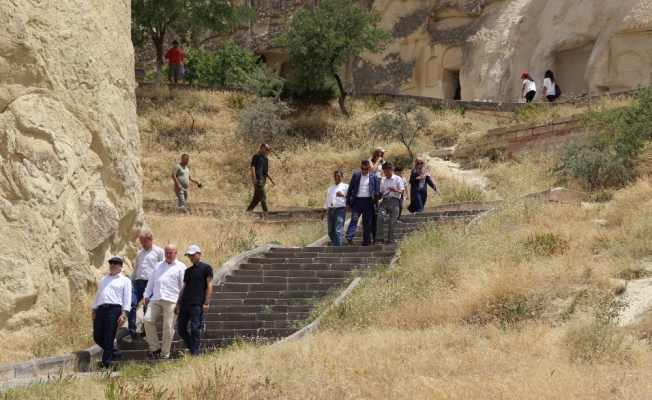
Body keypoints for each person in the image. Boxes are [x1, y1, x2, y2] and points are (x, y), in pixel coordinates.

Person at [143, 244, 186, 360]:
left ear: (176, 253)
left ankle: (165, 354)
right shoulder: (158, 266)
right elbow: (151, 282)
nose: (168, 255)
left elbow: (183, 286)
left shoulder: (181, 267)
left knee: (168, 325)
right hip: (156, 298)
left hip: (172, 300)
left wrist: (180, 303)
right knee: (147, 320)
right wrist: (146, 295)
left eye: (171, 253)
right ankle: (155, 349)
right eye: (166, 253)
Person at [91, 257, 132, 369]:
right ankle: (116, 352)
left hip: (114, 309)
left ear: (121, 266)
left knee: (109, 337)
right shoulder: (104, 279)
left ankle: (106, 363)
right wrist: (94, 309)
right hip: (101, 309)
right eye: (111, 263)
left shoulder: (125, 280)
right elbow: (99, 295)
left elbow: (127, 298)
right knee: (97, 336)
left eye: (116, 263)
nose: (113, 265)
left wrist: (124, 314)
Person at [174, 245, 213, 356]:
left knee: (195, 328)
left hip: (197, 303)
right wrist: (178, 303)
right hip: (185, 303)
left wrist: (206, 302)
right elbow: (184, 287)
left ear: (199, 254)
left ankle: (194, 353)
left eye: (193, 255)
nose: (191, 257)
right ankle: (194, 349)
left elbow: (210, 285)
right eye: (189, 256)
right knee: (181, 329)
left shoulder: (206, 268)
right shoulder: (188, 271)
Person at [127, 231, 165, 341]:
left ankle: (146, 332)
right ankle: (132, 331)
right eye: (141, 242)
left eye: (145, 241)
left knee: (146, 307)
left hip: (150, 283)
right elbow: (136, 269)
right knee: (131, 304)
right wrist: (129, 282)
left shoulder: (159, 252)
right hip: (138, 283)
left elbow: (162, 268)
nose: (143, 244)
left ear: (151, 239)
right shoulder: (140, 253)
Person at [345, 160, 380, 246]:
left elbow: (376, 192)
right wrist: (348, 203)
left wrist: (376, 204)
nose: (364, 171)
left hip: (368, 202)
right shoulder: (356, 175)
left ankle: (366, 242)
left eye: (366, 169)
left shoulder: (374, 177)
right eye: (362, 169)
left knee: (367, 223)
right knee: (354, 219)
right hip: (357, 201)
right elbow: (350, 189)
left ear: (369, 168)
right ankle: (349, 237)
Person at [376, 162, 405, 245]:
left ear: (391, 170)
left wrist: (395, 191)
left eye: (387, 171)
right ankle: (380, 239)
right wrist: (378, 197)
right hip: (385, 201)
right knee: (380, 217)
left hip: (395, 201)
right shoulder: (383, 180)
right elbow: (381, 192)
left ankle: (390, 240)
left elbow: (402, 192)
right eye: (384, 172)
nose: (386, 173)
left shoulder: (398, 179)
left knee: (392, 222)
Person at [320, 170, 349, 246]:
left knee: (338, 231)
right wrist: (323, 212)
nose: (337, 177)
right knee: (330, 232)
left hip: (340, 210)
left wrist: (343, 195)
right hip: (330, 211)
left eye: (338, 176)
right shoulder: (330, 189)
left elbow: (351, 198)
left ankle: (337, 249)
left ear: (342, 177)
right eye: (335, 176)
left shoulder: (346, 187)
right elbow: (327, 201)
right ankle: (338, 244)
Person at [246, 143, 276, 212]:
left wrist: (271, 179)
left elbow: (266, 171)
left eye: (268, 150)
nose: (267, 151)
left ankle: (248, 212)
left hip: (263, 179)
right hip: (258, 178)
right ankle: (266, 214)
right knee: (263, 196)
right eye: (267, 149)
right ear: (262, 148)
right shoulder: (256, 156)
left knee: (256, 199)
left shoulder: (265, 159)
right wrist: (254, 177)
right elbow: (252, 166)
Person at [368, 147, 385, 243]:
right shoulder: (370, 160)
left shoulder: (384, 163)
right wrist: (378, 160)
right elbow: (373, 170)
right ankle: (374, 236)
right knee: (374, 215)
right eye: (379, 154)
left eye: (382, 155)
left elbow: (384, 174)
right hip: (373, 182)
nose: (381, 156)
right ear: (375, 154)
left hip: (381, 183)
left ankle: (379, 236)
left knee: (379, 214)